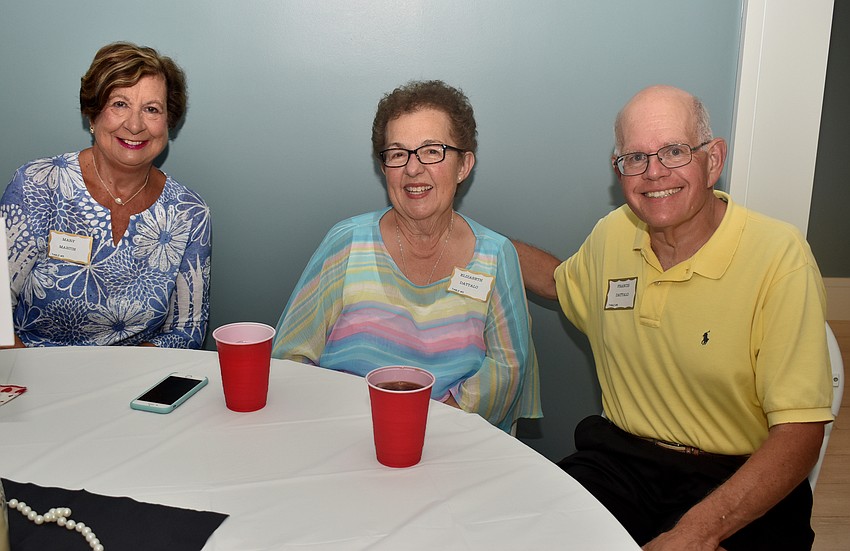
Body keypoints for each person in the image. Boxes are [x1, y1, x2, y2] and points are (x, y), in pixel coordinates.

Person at [514, 85, 833, 550]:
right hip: (621, 460)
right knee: (521, 531)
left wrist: (695, 534)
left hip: (737, 474)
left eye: (674, 151)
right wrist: (469, 239)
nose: (654, 172)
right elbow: (561, 284)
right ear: (618, 169)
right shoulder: (614, 233)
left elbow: (801, 434)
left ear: (713, 159)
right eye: (635, 157)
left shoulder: (779, 258)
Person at [273, 80, 541, 432]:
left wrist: (437, 420)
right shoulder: (347, 243)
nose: (413, 169)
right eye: (398, 153)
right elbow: (290, 356)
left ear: (464, 165)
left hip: (452, 439)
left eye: (432, 151)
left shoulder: (496, 255)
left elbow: (507, 366)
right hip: (344, 434)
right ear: (384, 168)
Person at [0, 42, 210, 348]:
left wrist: (123, 388)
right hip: (32, 377)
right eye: (120, 104)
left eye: (151, 109)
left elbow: (187, 329)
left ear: (168, 124)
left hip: (133, 384)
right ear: (93, 115)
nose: (135, 124)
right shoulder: (38, 185)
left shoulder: (189, 213)